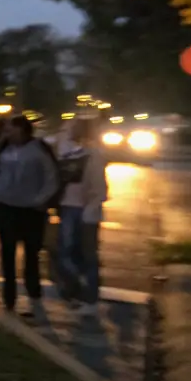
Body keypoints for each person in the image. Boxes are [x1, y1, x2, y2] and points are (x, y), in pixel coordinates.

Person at [0, 115, 60, 318]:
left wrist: (41, 200)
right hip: (6, 208)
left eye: (11, 129)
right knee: (7, 253)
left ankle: (34, 297)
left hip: (31, 211)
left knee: (31, 255)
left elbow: (51, 178)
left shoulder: (39, 150)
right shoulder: (4, 148)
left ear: (22, 130)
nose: (7, 133)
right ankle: (9, 299)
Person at [49, 117, 109, 318]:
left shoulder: (92, 155)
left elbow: (99, 188)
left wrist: (90, 212)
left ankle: (89, 297)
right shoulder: (67, 151)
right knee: (65, 253)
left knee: (86, 255)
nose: (66, 130)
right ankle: (75, 290)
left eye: (70, 127)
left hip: (83, 211)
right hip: (67, 207)